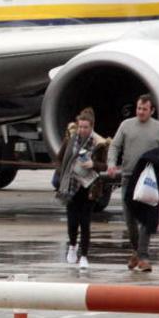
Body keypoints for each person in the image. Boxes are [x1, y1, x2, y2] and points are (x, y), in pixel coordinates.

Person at [107, 93, 159, 272]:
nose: (141, 112)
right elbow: (114, 146)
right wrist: (111, 164)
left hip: (149, 179)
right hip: (129, 177)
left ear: (151, 111)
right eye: (139, 108)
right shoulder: (126, 125)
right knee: (130, 219)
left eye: (145, 109)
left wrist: (157, 158)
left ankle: (143, 256)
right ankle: (136, 251)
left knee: (147, 218)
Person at [55, 108, 108, 270]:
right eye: (80, 127)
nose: (82, 130)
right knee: (72, 222)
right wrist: (63, 172)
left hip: (88, 187)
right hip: (71, 186)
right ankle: (72, 246)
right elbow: (60, 157)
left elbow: (104, 166)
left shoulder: (99, 144)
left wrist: (93, 164)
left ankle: (84, 255)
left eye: (86, 127)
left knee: (85, 223)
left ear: (91, 127)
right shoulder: (71, 139)